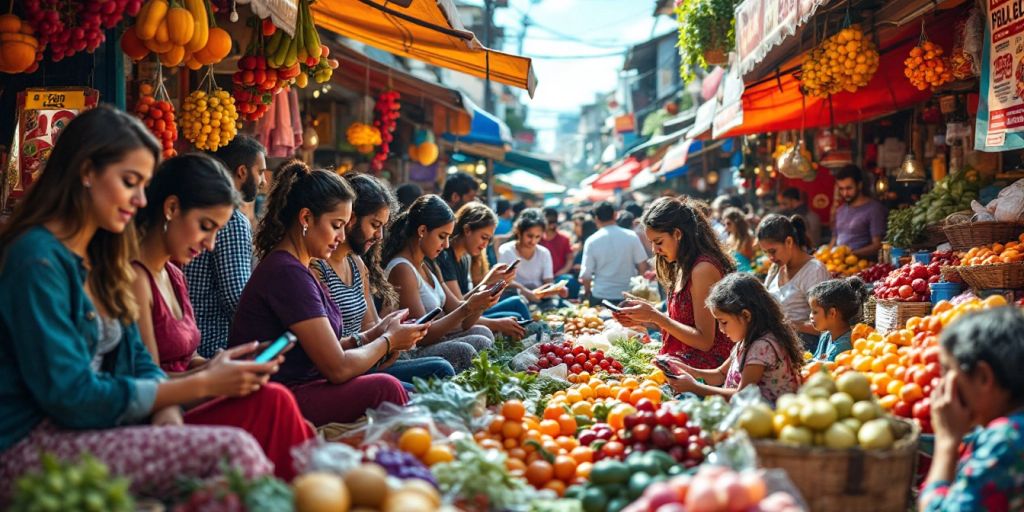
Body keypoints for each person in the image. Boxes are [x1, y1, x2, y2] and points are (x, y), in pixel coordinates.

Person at [0, 107, 272, 504]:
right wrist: (200, 384)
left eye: (144, 185)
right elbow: (70, 395)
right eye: (130, 182)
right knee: (235, 451)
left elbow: (138, 361)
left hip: (93, 429)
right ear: (87, 171)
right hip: (31, 446)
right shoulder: (37, 259)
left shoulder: (102, 255)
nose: (141, 199)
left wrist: (169, 418)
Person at [131, 154, 314, 481]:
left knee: (286, 411)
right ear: (171, 209)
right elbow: (148, 381)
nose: (211, 243)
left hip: (188, 399)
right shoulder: (135, 278)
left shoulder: (173, 274)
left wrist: (220, 364)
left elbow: (183, 360)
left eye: (217, 231)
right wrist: (212, 379)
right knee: (275, 402)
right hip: (161, 416)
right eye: (205, 227)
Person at [230, 161, 427, 426]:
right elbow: (337, 368)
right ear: (306, 219)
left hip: (302, 384)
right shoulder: (286, 272)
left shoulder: (300, 267)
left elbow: (325, 350)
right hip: (277, 395)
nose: (341, 236)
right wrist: (389, 340)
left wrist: (375, 333)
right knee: (386, 387)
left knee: (411, 393)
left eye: (345, 226)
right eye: (336, 225)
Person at [311, 173, 455, 386]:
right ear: (351, 219)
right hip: (347, 366)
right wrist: (385, 340)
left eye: (382, 227)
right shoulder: (316, 266)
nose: (379, 236)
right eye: (375, 224)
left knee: (441, 368)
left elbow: (370, 324)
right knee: (408, 385)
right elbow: (331, 351)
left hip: (370, 359)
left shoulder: (357, 264)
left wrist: (392, 329)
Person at [920, 307, 1024, 512]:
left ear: (983, 377)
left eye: (948, 371)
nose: (942, 385)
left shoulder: (1006, 440)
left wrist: (947, 443)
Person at [614, 197, 734, 369]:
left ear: (678, 234)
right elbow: (682, 323)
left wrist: (656, 316)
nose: (655, 250)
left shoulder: (702, 269)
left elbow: (704, 341)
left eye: (659, 242)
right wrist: (644, 318)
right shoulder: (681, 265)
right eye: (652, 243)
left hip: (705, 370)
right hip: (681, 363)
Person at [383, 195, 497, 372]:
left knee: (483, 333)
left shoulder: (429, 266)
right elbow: (421, 337)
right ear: (422, 231)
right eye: (442, 236)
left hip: (437, 340)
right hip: (413, 352)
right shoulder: (402, 269)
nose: (446, 245)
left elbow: (464, 320)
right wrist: (468, 307)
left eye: (448, 237)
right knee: (466, 349)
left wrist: (482, 303)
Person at [660, 273, 804, 404]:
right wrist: (688, 370)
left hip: (763, 419)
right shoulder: (745, 341)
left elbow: (742, 395)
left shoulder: (762, 347)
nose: (721, 329)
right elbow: (720, 374)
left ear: (746, 316)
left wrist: (695, 387)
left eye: (724, 322)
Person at [183, 135, 266, 357]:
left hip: (192, 345)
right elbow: (236, 297)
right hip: (214, 347)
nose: (264, 181)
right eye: (260, 172)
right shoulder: (233, 221)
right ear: (242, 172)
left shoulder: (201, 210)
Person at [436, 202, 530, 335]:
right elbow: (457, 309)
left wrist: (493, 283)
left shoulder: (465, 258)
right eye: (483, 238)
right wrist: (486, 282)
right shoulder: (445, 257)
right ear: (467, 230)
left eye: (488, 240)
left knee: (517, 304)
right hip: (455, 322)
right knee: (515, 312)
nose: (484, 245)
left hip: (467, 316)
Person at [757, 214, 831, 348]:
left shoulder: (814, 271)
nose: (770, 257)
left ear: (789, 242)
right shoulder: (775, 269)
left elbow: (827, 324)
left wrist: (788, 324)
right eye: (766, 253)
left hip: (804, 346)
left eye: (773, 251)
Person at [580, 201, 649, 306]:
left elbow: (586, 275)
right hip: (628, 295)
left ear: (596, 219)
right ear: (615, 215)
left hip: (601, 296)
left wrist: (587, 292)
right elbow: (643, 266)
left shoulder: (591, 240)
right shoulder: (631, 236)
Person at [497, 209, 569, 304]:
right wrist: (525, 291)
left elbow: (548, 281)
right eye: (529, 236)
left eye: (537, 237)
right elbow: (505, 281)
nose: (533, 241)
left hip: (540, 299)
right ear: (519, 232)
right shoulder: (506, 250)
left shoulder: (544, 253)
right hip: (516, 299)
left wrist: (556, 289)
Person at [831, 164, 887, 259]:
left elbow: (877, 245)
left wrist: (851, 255)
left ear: (859, 185)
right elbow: (834, 239)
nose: (845, 193)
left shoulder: (874, 209)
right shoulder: (840, 210)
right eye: (841, 189)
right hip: (838, 265)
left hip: (864, 267)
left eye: (849, 188)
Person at [807, 277, 869, 362]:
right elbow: (815, 360)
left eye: (815, 312)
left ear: (832, 313)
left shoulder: (844, 347)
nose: (810, 316)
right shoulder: (826, 336)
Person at [541, 207, 575, 279]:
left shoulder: (564, 239)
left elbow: (570, 259)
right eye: (549, 221)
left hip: (559, 277)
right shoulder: (536, 239)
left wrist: (560, 273)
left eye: (553, 221)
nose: (551, 224)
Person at [723, 207, 755, 273]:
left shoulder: (748, 238)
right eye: (725, 224)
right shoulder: (729, 238)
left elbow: (754, 261)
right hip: (734, 276)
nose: (726, 227)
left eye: (728, 223)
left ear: (737, 222)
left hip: (749, 276)